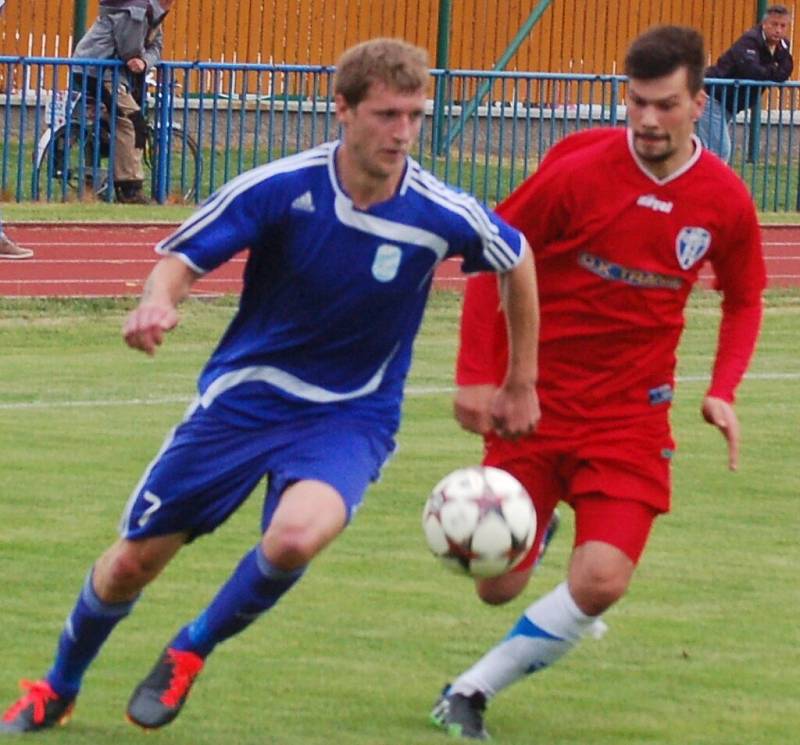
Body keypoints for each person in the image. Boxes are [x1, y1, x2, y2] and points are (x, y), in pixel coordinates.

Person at [0, 38, 541, 734]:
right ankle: (58, 685)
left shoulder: (440, 211)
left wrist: (520, 377)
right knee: (131, 565)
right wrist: (157, 302)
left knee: (294, 537)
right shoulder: (281, 187)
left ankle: (190, 647)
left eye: (414, 115)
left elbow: (516, 258)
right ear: (342, 109)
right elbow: (178, 261)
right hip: (245, 400)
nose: (403, 132)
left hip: (351, 415)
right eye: (386, 114)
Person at [430, 25, 766, 740]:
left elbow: (745, 297)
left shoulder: (725, 200)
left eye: (666, 105)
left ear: (699, 103)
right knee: (497, 585)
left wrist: (723, 387)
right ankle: (540, 525)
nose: (647, 119)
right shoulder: (577, 172)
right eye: (636, 102)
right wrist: (479, 378)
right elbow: (492, 257)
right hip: (534, 404)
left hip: (630, 419)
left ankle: (468, 691)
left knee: (603, 579)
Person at [70, 0, 176, 204]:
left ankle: (104, 176)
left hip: (106, 72)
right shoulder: (137, 12)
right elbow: (130, 50)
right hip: (98, 72)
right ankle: (129, 188)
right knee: (132, 122)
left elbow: (155, 49)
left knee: (119, 120)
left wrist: (144, 61)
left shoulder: (153, 13)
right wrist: (140, 58)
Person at [696, 4, 793, 162]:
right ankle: (710, 185)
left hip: (729, 104)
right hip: (712, 97)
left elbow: (786, 70)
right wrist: (773, 70)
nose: (778, 30)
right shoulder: (749, 41)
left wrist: (769, 72)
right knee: (720, 151)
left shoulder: (782, 45)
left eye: (783, 26)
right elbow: (752, 71)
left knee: (709, 150)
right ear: (764, 24)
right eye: (774, 24)